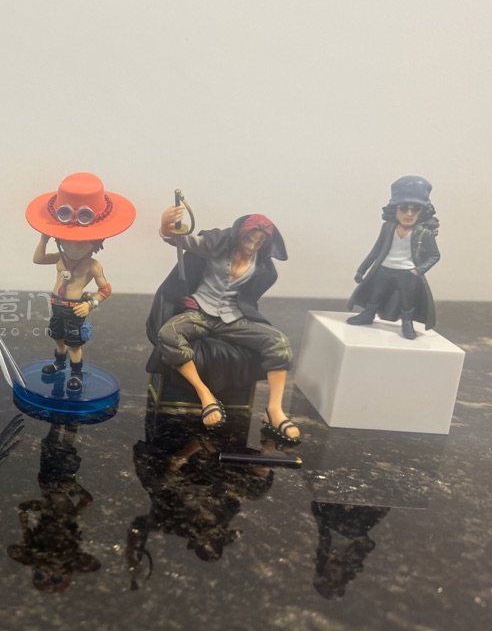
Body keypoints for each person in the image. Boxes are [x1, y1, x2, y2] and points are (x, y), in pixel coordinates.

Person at [154, 205, 300, 441]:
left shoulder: (262, 267)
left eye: (259, 242)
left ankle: (274, 410)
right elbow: (180, 240)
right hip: (201, 312)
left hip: (234, 318)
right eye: (249, 239)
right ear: (239, 235)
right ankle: (205, 395)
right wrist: (165, 225)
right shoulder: (215, 247)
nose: (252, 246)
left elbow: (250, 297)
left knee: (279, 342)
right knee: (169, 333)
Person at [25, 172, 136, 392]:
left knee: (74, 344)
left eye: (82, 242)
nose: (75, 247)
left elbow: (106, 289)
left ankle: (76, 373)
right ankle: (59, 363)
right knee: (57, 337)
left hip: (75, 308)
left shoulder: (92, 265)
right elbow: (38, 259)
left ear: (96, 242)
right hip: (57, 304)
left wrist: (90, 304)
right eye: (68, 241)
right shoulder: (60, 258)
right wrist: (43, 239)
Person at [347, 175, 440, 340]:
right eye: (403, 208)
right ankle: (368, 314)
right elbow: (376, 251)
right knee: (376, 294)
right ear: (395, 210)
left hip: (408, 273)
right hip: (384, 269)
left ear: (422, 212)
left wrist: (419, 270)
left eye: (415, 209)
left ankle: (407, 323)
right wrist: (361, 270)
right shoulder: (388, 228)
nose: (409, 214)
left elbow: (435, 255)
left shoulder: (424, 233)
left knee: (407, 300)